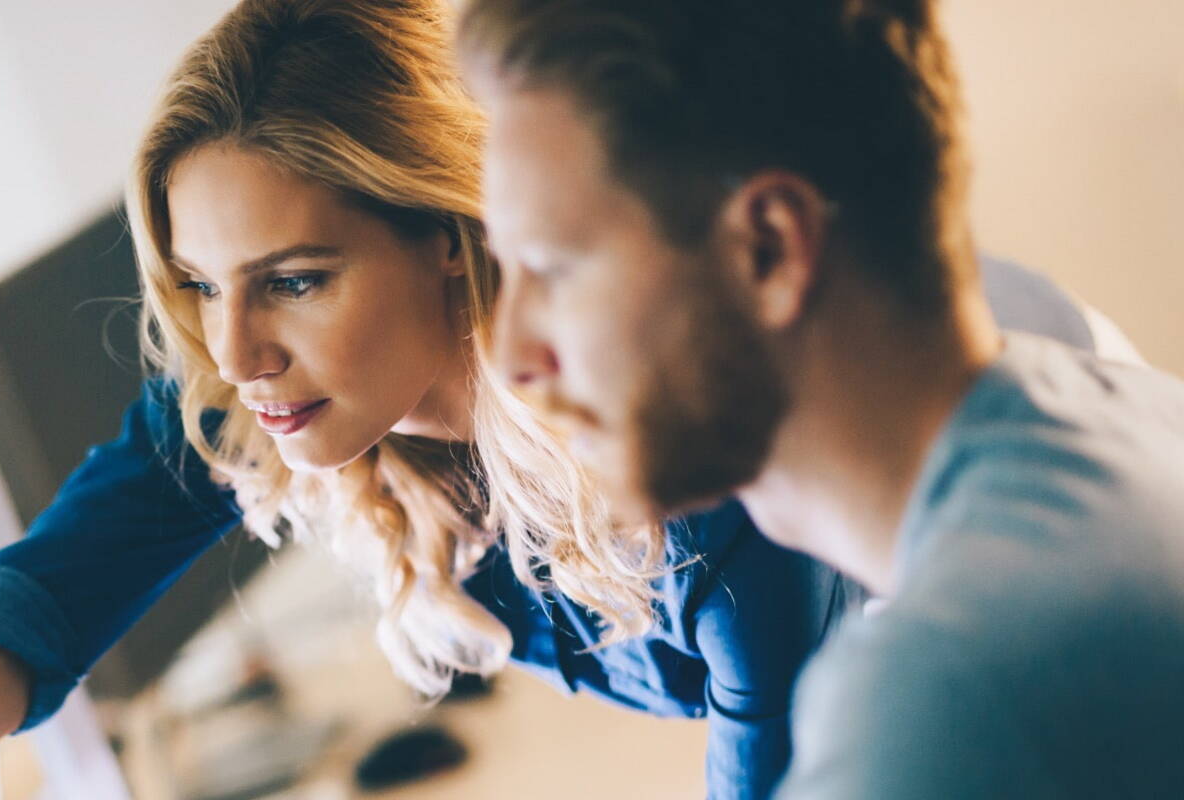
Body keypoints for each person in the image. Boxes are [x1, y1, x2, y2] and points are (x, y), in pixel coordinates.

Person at [0, 2, 1133, 799]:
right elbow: (38, 600)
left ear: (453, 235)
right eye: (197, 286)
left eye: (295, 279)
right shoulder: (271, 383)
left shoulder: (689, 429)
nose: (233, 353)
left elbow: (779, 743)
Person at [459, 0, 1184, 796]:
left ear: (767, 249)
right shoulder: (1127, 411)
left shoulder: (949, 696)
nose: (513, 357)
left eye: (553, 271)